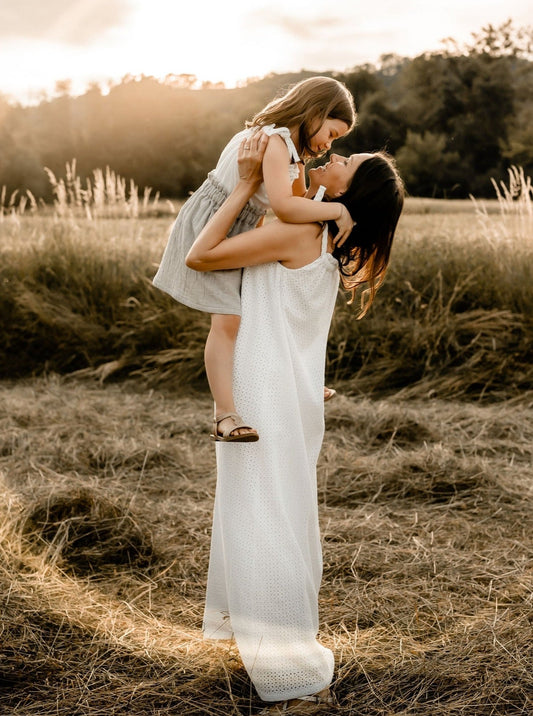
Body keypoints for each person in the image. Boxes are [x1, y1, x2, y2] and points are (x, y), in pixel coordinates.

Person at [186, 133, 404, 713]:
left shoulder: (302, 230)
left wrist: (252, 184)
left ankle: (291, 670)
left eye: (345, 161)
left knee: (263, 516)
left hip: (262, 390)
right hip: (293, 392)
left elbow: (201, 256)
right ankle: (267, 640)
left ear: (350, 192)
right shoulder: (326, 235)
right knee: (279, 509)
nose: (332, 156)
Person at [153, 77, 356, 443]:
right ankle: (224, 415)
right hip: (216, 223)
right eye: (331, 132)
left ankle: (297, 377)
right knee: (228, 322)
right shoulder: (274, 141)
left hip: (241, 225)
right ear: (316, 112)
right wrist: (338, 209)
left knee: (266, 309)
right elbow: (284, 206)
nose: (329, 145)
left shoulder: (290, 151)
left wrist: (318, 191)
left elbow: (295, 207)